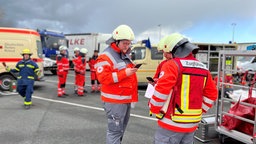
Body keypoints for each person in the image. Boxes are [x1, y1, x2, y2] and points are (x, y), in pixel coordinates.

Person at [148, 33, 218, 144]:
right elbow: (212, 94)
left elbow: (161, 91)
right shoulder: (203, 68)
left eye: (166, 52)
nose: (165, 55)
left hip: (171, 122)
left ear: (173, 50)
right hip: (192, 123)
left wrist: (154, 108)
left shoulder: (172, 65)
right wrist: (200, 110)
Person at [95, 24, 138, 144]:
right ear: (116, 41)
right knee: (114, 132)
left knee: (120, 131)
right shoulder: (105, 56)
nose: (127, 46)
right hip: (114, 102)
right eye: (125, 43)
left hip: (124, 99)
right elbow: (103, 78)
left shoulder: (123, 54)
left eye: (129, 43)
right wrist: (126, 72)